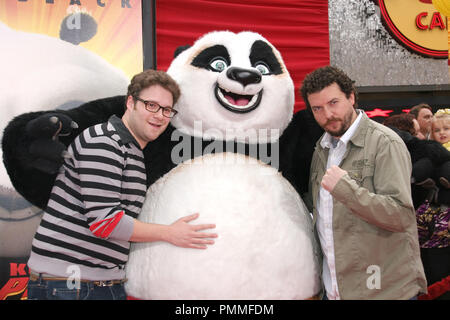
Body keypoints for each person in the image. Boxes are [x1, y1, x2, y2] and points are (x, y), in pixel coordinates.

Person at [26, 69, 218, 300]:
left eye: (167, 110)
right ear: (130, 102)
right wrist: (170, 233)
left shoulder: (130, 150)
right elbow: (105, 222)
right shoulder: (105, 142)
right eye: (151, 105)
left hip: (91, 283)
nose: (159, 115)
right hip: (72, 284)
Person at [300, 65, 427, 300]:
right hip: (337, 289)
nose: (327, 114)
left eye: (333, 103)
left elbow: (400, 216)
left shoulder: (385, 143)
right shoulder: (322, 148)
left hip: (384, 292)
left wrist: (346, 190)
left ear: (351, 97)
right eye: (317, 108)